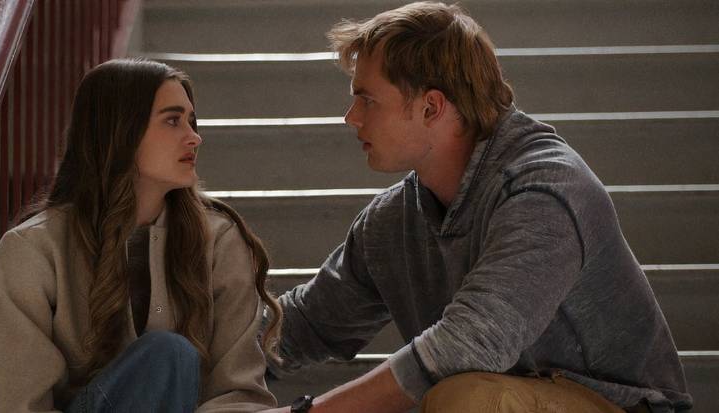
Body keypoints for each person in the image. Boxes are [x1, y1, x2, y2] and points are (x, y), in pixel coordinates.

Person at [262, 2, 691, 413]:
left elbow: (473, 341)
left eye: (367, 99)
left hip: (615, 405)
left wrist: (310, 412)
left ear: (431, 106)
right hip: (503, 396)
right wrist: (205, 349)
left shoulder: (545, 189)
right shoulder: (394, 220)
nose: (350, 117)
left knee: (467, 398)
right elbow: (307, 323)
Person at [0, 59, 282, 412]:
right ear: (120, 130)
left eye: (191, 121)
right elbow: (26, 405)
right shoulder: (32, 249)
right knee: (167, 355)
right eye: (173, 121)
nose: (194, 137)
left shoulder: (220, 239)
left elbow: (239, 393)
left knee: (170, 355)